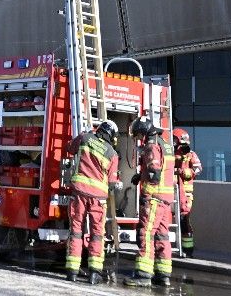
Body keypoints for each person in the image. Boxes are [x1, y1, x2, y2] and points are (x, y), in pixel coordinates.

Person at [64, 119, 121, 284]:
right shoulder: (112, 153)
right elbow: (111, 183)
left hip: (79, 193)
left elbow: (69, 148)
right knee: (97, 234)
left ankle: (72, 271)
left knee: (75, 231)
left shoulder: (85, 138)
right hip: (98, 199)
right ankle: (94, 274)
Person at [124, 118, 175, 287]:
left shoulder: (151, 144)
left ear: (144, 130)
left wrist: (147, 177)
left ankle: (143, 275)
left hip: (154, 197)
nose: (139, 138)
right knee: (162, 235)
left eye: (139, 134)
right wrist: (141, 175)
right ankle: (163, 275)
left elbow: (155, 171)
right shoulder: (165, 143)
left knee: (146, 233)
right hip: (166, 198)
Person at [171, 128, 202, 257]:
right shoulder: (171, 154)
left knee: (184, 219)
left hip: (186, 194)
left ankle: (188, 250)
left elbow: (198, 170)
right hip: (171, 191)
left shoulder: (191, 154)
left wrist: (183, 172)